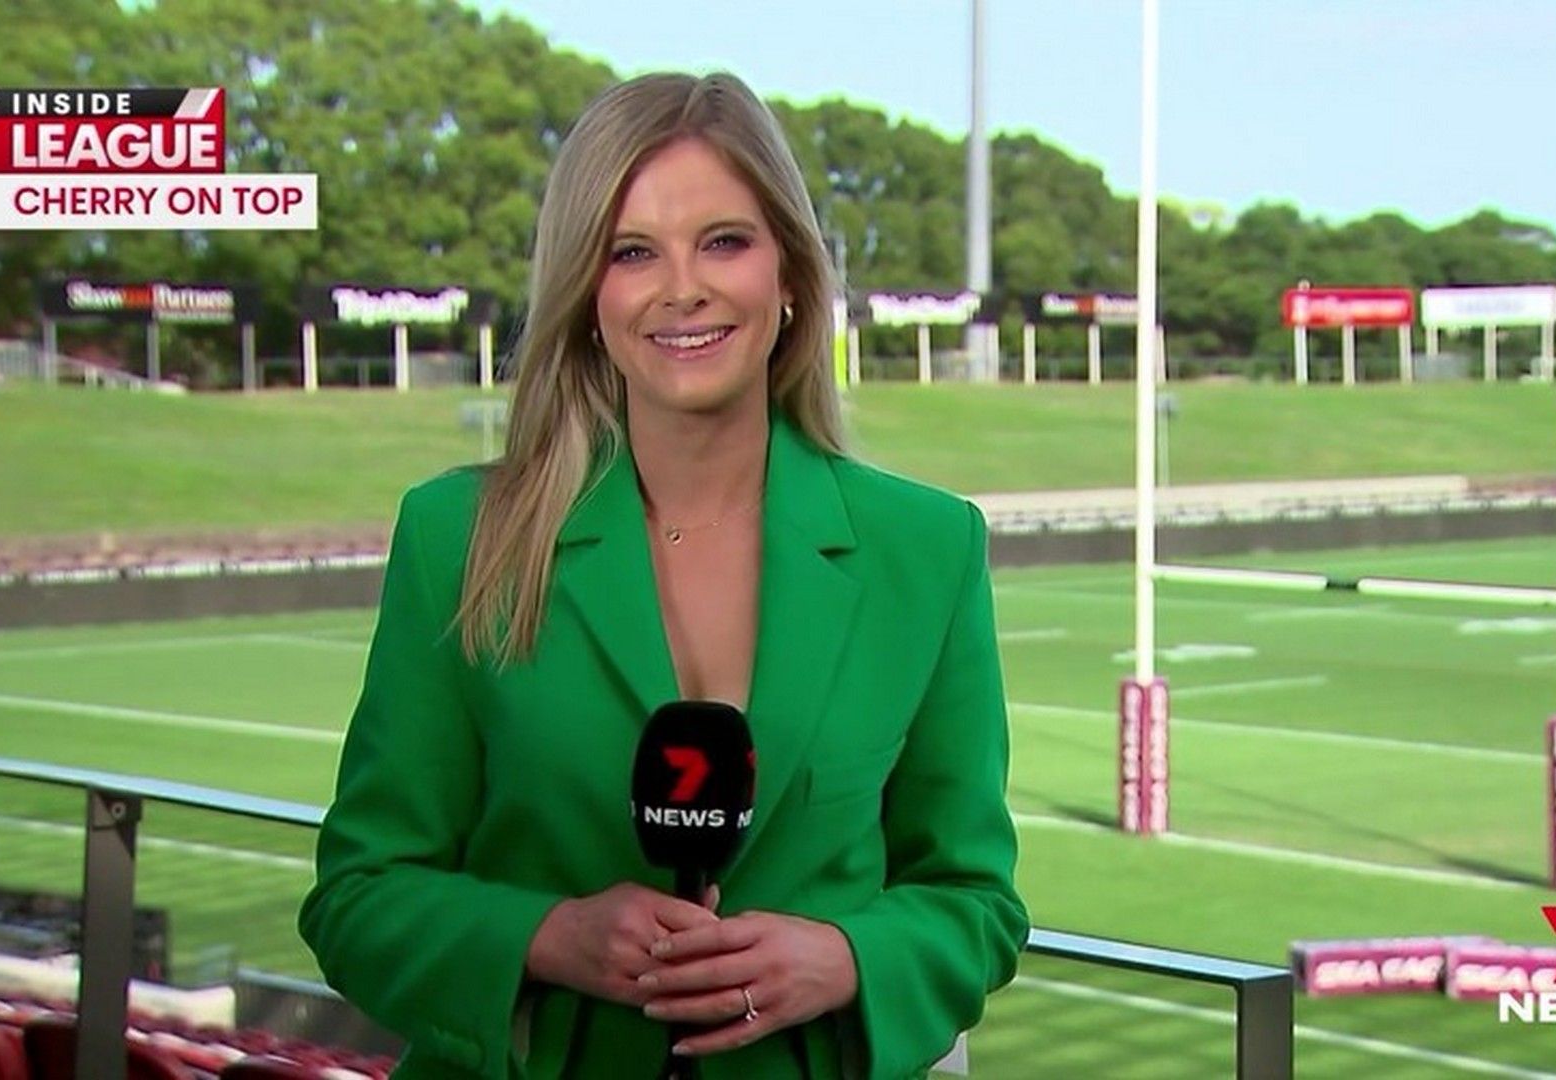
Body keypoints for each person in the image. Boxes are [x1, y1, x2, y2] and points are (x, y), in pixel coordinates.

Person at [298, 71, 1028, 1080]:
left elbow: (976, 905)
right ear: (588, 296)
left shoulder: (928, 547)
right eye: (632, 251)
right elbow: (358, 898)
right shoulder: (458, 537)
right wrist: (550, 937)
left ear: (790, 274)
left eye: (723, 241)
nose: (682, 288)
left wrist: (844, 959)